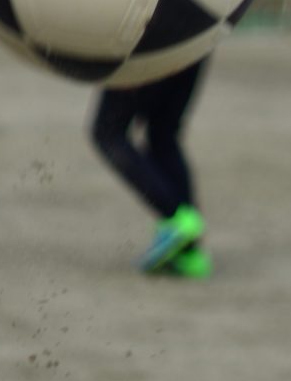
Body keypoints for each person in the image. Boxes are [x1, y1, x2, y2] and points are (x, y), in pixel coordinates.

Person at [90, 59, 212, 278]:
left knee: (108, 133)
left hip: (145, 44)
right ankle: (188, 253)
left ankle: (176, 218)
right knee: (163, 134)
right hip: (196, 39)